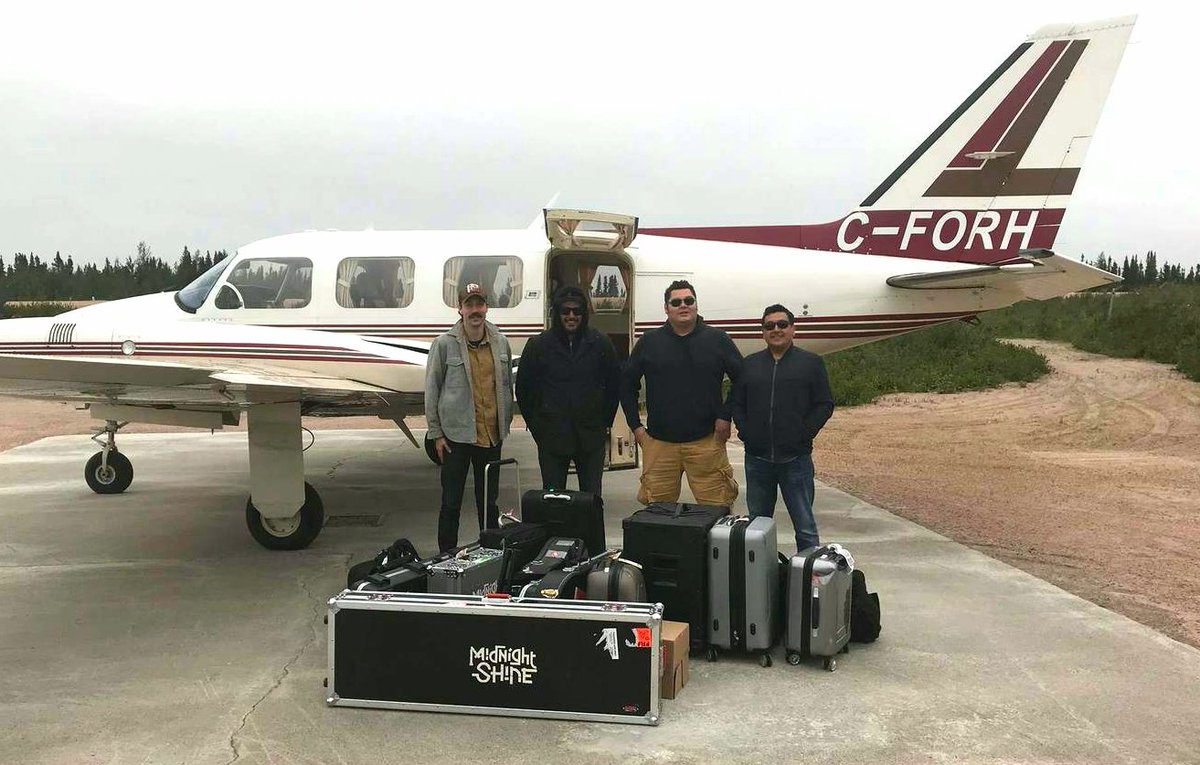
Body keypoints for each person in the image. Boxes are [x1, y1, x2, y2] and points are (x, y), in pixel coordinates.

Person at [620, 280, 742, 506]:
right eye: (676, 302)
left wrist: (726, 415)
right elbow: (626, 384)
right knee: (658, 515)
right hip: (658, 445)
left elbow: (742, 380)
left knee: (716, 511)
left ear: (696, 305)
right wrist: (636, 427)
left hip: (706, 442)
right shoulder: (649, 342)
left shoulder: (718, 340)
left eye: (689, 301)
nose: (683, 305)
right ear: (666, 309)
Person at [732, 304, 834, 551]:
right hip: (757, 460)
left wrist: (804, 432)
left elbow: (824, 404)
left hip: (795, 460)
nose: (776, 330)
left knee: (805, 527)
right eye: (769, 326)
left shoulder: (811, 363)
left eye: (782, 324)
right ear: (763, 332)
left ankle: (809, 580)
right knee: (757, 527)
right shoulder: (750, 365)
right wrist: (747, 433)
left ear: (793, 329)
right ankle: (757, 578)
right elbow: (737, 403)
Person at [424, 282, 515, 552]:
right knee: (451, 502)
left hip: (491, 436)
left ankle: (490, 555)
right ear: (460, 309)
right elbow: (432, 389)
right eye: (469, 305)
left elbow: (507, 384)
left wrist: (504, 424)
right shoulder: (443, 345)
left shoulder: (500, 342)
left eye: (480, 304)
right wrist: (436, 433)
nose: (475, 310)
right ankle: (445, 556)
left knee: (488, 502)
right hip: (456, 437)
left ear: (486, 307)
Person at [516, 286, 621, 495]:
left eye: (577, 311)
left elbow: (613, 386)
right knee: (554, 500)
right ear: (557, 313)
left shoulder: (601, 344)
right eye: (565, 311)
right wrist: (539, 429)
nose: (571, 316)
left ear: (584, 314)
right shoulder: (538, 345)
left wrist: (603, 424)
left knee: (592, 500)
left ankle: (590, 530)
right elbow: (524, 391)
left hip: (590, 439)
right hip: (552, 438)